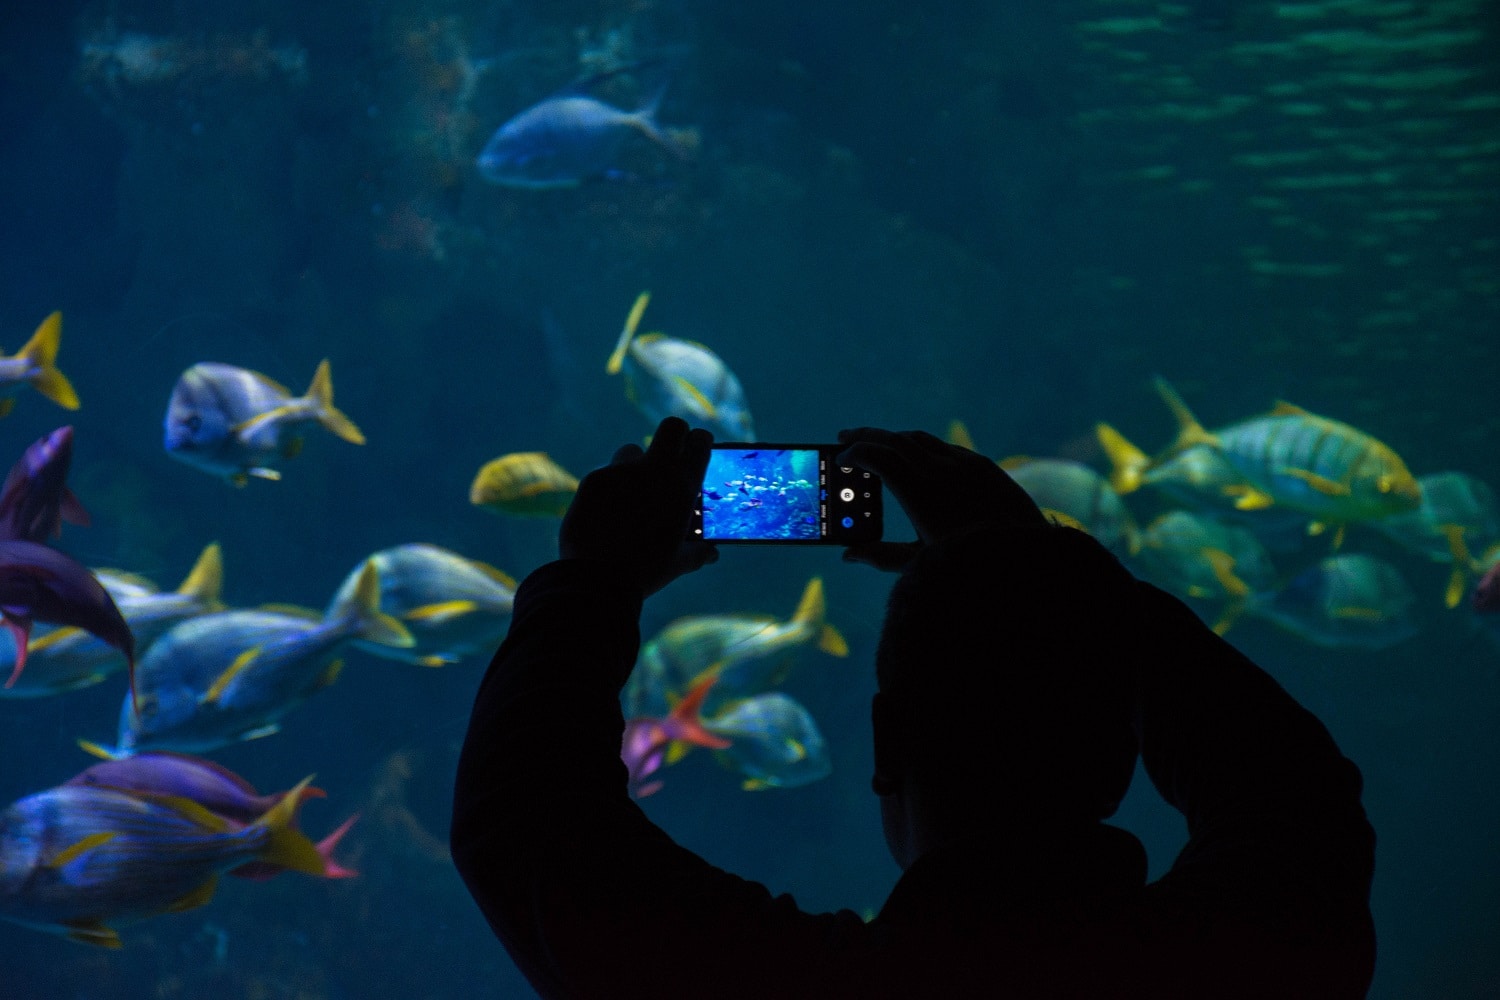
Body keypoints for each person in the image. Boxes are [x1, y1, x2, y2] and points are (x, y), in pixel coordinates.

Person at [451, 418, 1376, 998]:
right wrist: (1034, 564)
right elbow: (1298, 794)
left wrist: (595, 576)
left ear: (886, 743)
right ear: (1120, 752)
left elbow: (524, 828)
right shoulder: (1247, 954)